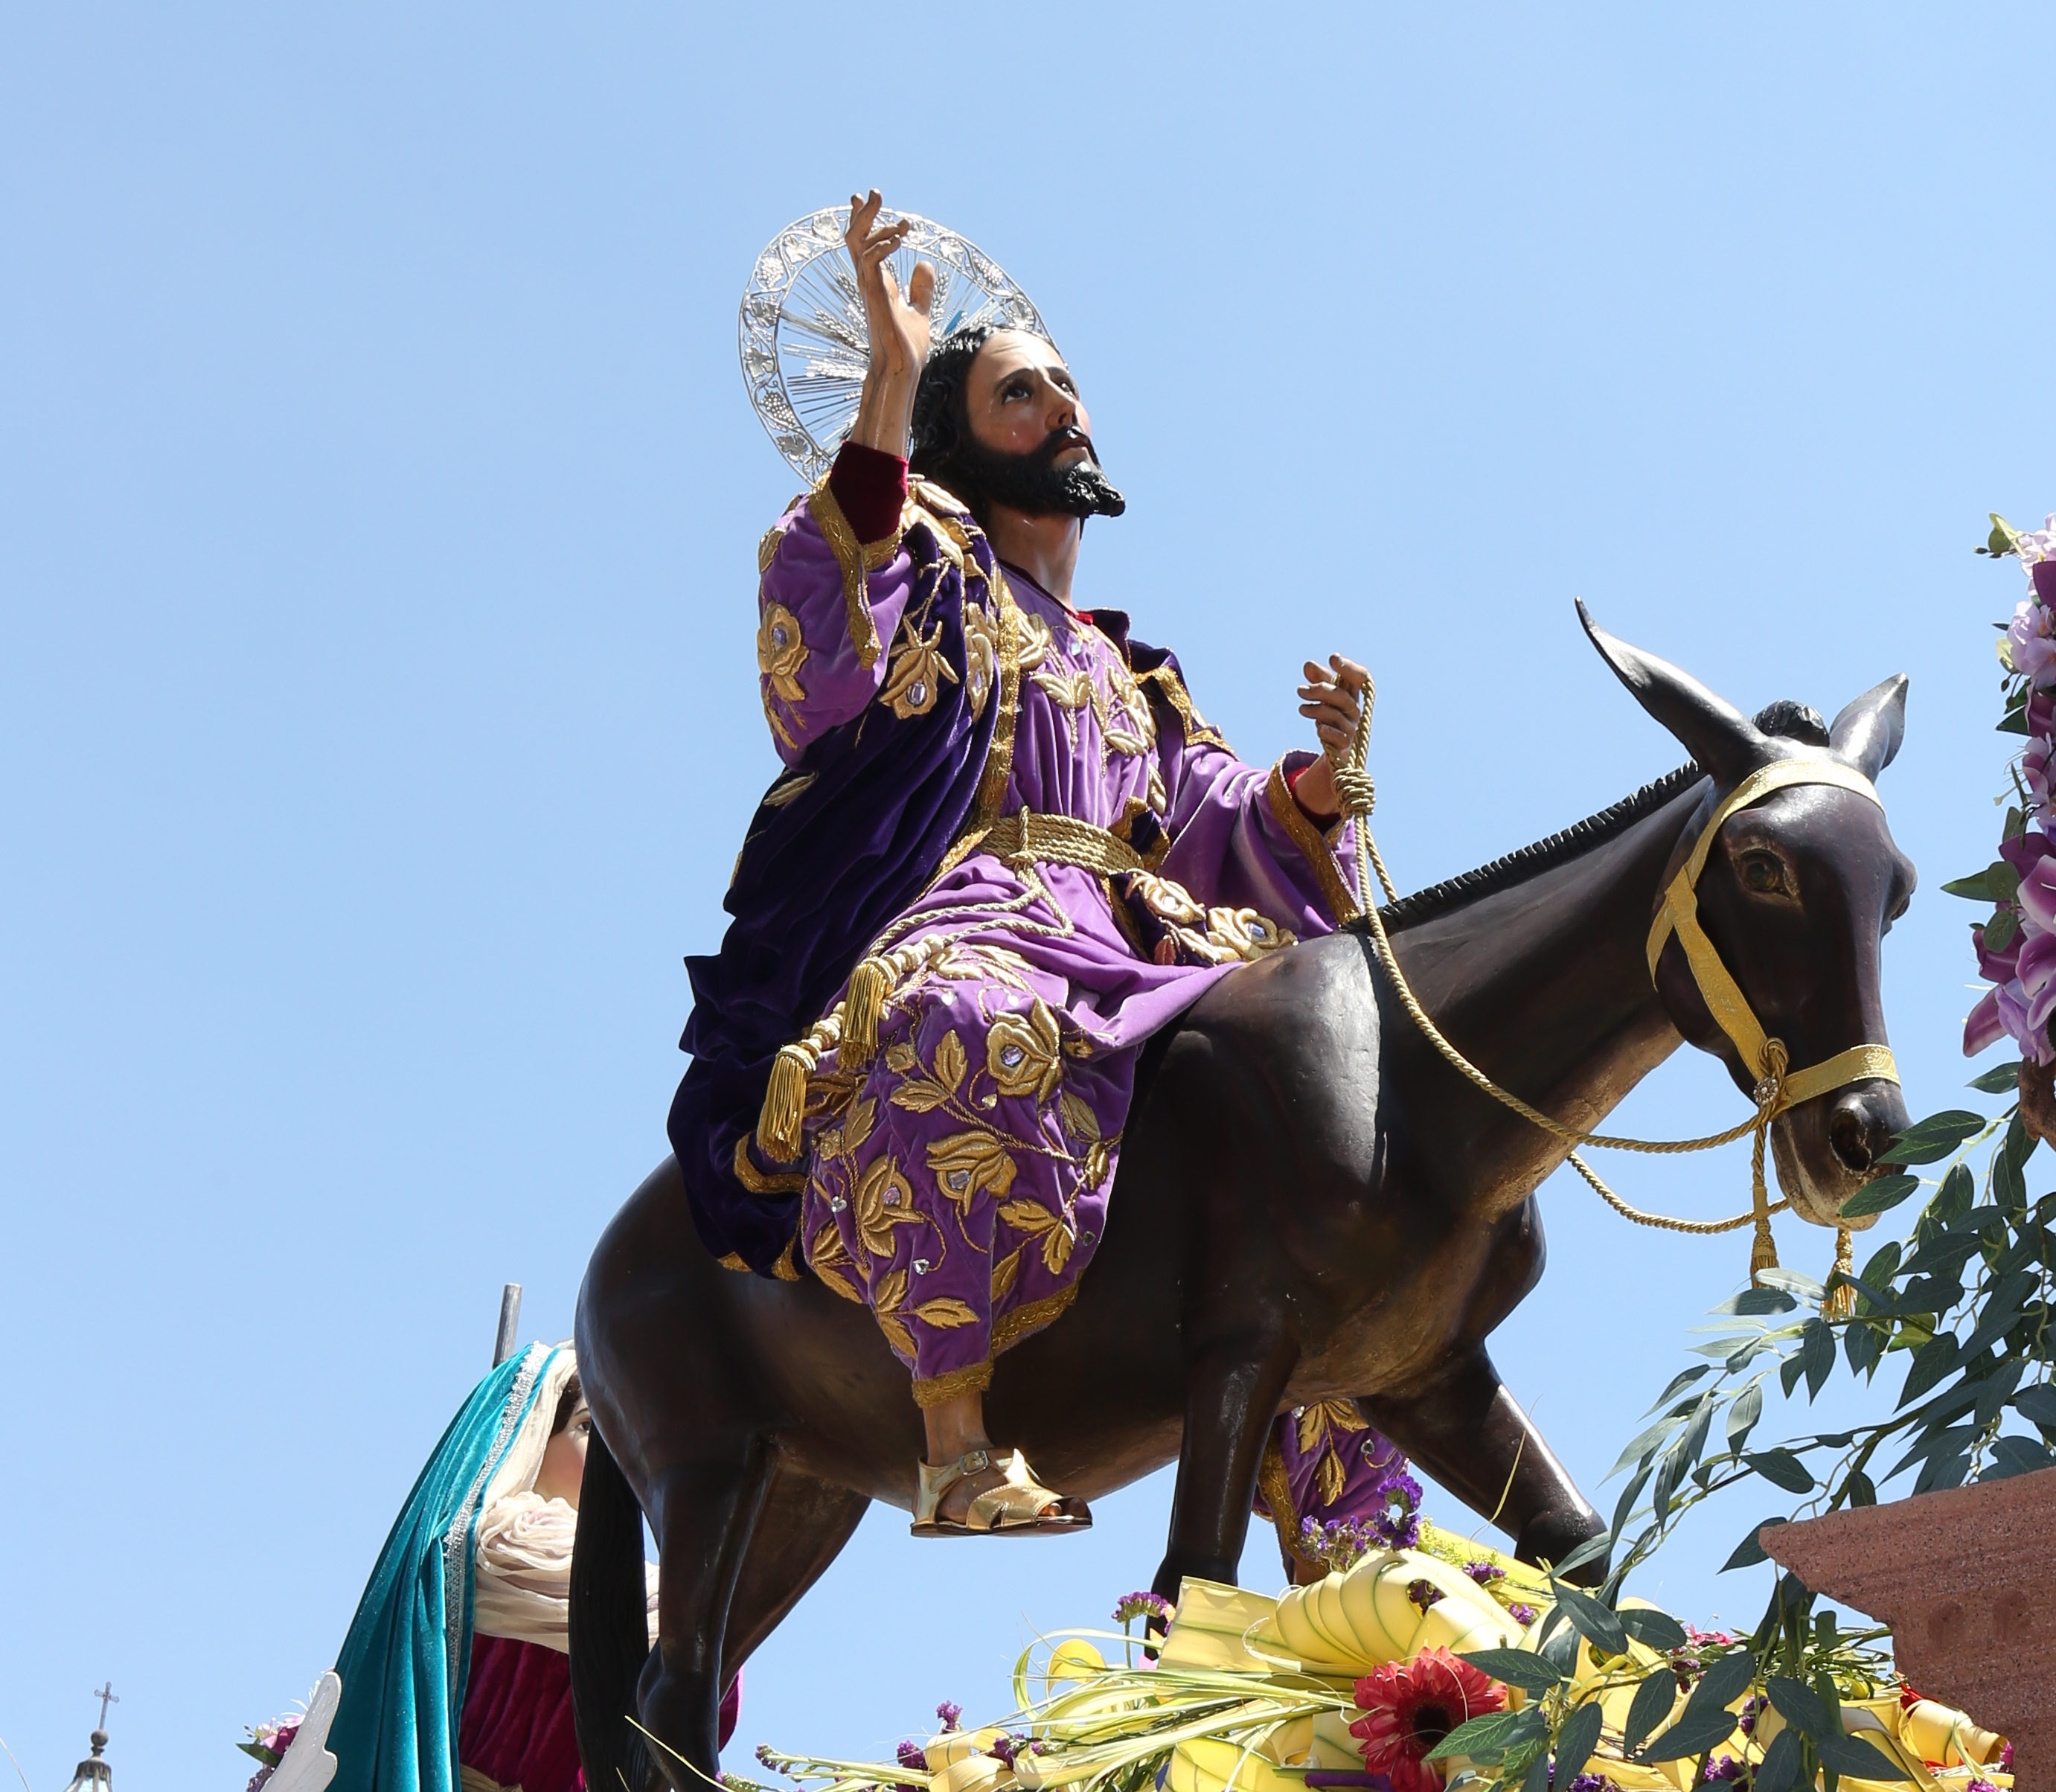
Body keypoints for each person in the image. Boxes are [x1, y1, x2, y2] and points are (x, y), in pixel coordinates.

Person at [668, 191, 1394, 1537]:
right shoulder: (936, 571)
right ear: (957, 440)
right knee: (957, 1018)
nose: (1061, 404)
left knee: (1319, 1101)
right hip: (988, 910)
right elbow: (829, 626)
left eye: (1065, 384)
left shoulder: (1132, 668)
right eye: (1020, 391)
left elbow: (1212, 817)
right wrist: (888, 375)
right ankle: (952, 1439)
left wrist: (1313, 780)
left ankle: (1348, 1525)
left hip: (1138, 940)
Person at [261, 1345, 734, 1792]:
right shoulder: (501, 1543)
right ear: (534, 1433)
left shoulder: (650, 1587)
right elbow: (666, 1620)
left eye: (627, 1433)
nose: (616, 1456)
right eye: (591, 1427)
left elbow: (702, 1708)